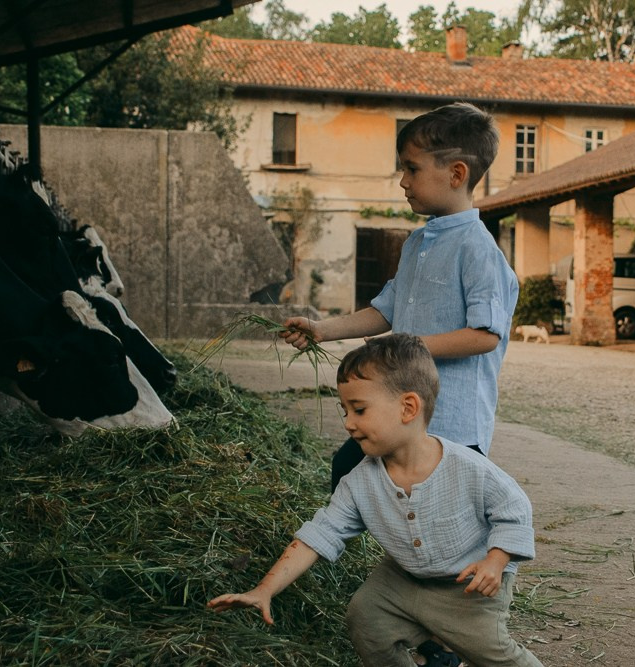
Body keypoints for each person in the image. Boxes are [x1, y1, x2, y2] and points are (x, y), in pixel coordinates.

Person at [207, 334, 543, 667]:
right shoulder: (360, 482)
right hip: (402, 578)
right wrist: (264, 589)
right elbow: (320, 533)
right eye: (345, 410)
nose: (348, 423)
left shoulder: (468, 468)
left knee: (495, 654)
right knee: (366, 618)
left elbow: (514, 509)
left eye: (359, 410)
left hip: (468, 587)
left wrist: (495, 561)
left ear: (408, 407)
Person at [282, 102, 519, 494]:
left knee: (439, 509)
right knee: (349, 470)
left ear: (456, 173)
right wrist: (322, 330)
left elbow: (484, 336)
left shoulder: (478, 250)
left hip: (452, 424)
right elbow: (385, 310)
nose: (403, 181)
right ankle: (355, 550)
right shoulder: (417, 243)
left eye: (412, 168)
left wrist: (407, 347)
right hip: (401, 413)